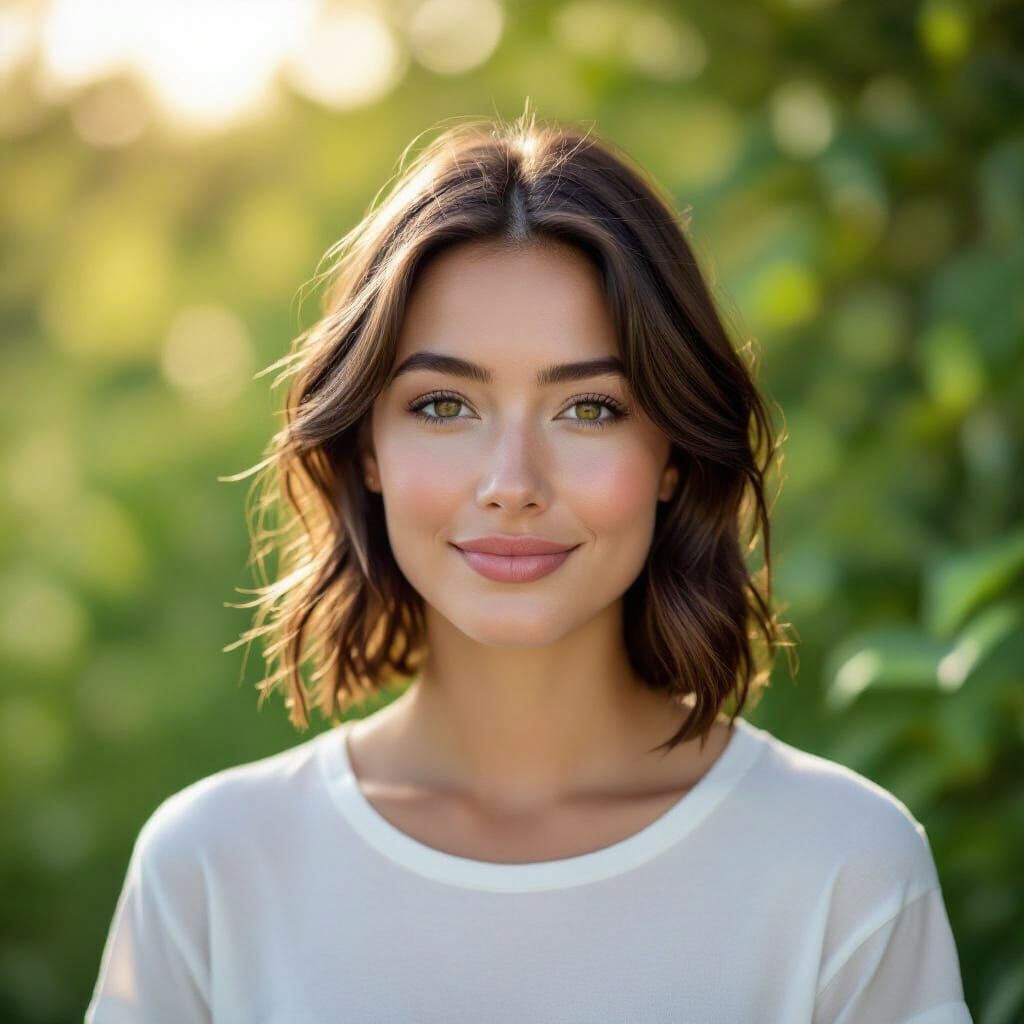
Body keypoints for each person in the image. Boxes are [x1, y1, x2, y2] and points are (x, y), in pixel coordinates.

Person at [85, 107, 972, 1023]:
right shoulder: (210, 869)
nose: (512, 484)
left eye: (589, 409)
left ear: (672, 453)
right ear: (366, 450)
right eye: (442, 405)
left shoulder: (843, 866)